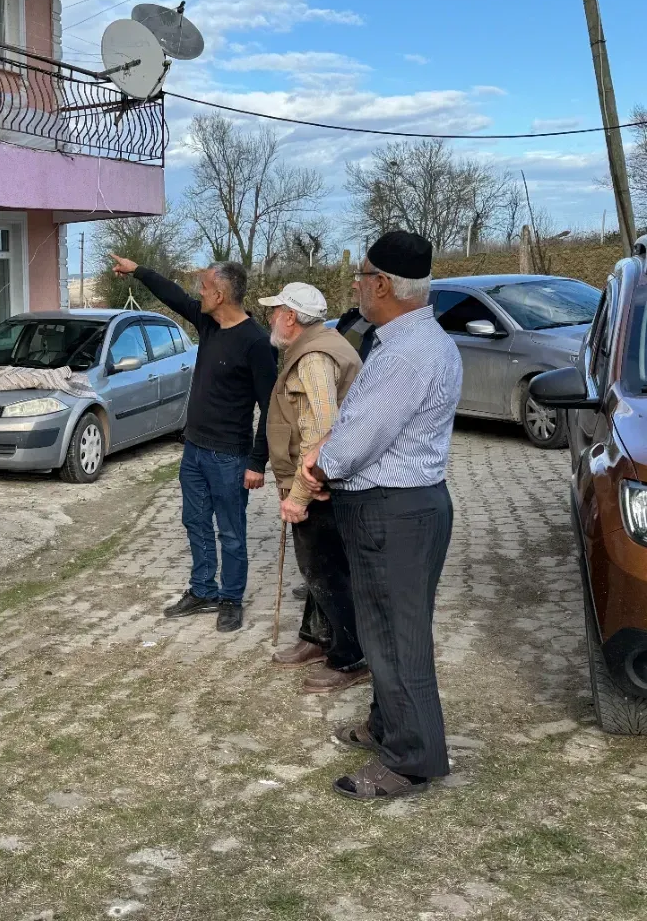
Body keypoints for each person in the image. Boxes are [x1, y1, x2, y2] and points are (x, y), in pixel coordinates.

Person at [299, 230, 461, 802]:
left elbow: (358, 439)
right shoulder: (403, 339)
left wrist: (322, 463)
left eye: (362, 274)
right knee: (384, 628)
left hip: (393, 511)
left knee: (395, 637)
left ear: (384, 285)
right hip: (402, 507)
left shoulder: (409, 352)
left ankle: (412, 760)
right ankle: (388, 726)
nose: (356, 284)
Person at [112, 257, 278, 632]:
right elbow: (173, 296)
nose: (198, 294)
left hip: (230, 457)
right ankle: (203, 590)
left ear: (220, 295)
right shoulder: (208, 322)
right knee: (195, 522)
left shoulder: (256, 344)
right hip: (195, 450)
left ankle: (231, 599)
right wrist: (138, 270)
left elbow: (272, 407)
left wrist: (257, 461)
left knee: (231, 532)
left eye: (204, 287)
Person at [259, 281, 368, 695]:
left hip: (322, 484)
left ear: (290, 316)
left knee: (327, 571)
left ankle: (349, 657)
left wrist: (299, 496)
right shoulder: (316, 345)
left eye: (275, 310)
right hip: (319, 480)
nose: (270, 317)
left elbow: (321, 432)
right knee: (318, 566)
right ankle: (318, 638)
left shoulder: (314, 357)